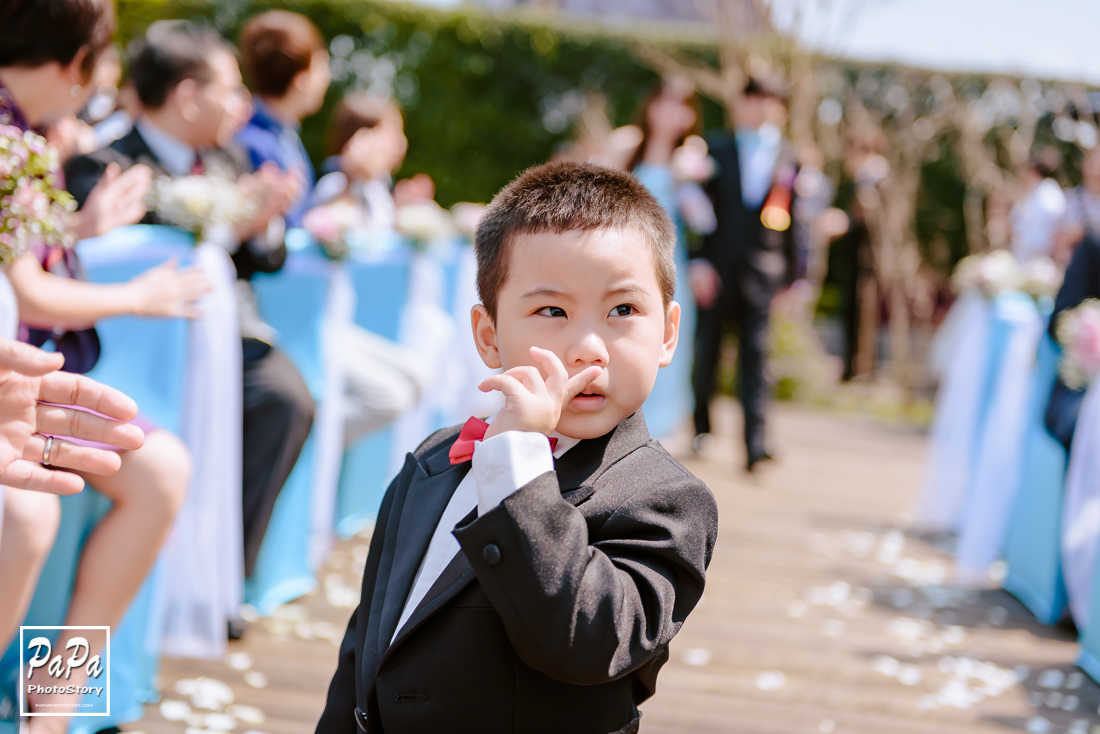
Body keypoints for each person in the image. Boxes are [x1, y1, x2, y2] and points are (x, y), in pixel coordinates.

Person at [315, 161, 718, 734]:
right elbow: (368, 640)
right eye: (552, 311)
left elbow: (586, 640)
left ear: (668, 334)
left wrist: (520, 467)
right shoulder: (433, 460)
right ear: (489, 336)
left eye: (622, 310)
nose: (588, 347)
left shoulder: (667, 501)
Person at [64, 20, 315, 611]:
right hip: (135, 353)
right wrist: (229, 225)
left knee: (287, 399)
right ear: (186, 95)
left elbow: (264, 261)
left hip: (229, 337)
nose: (241, 103)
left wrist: (263, 224)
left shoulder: (228, 157)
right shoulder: (103, 166)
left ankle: (223, 581)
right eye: (230, 88)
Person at [690, 76, 806, 471]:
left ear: (780, 109)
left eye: (768, 100)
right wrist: (698, 262)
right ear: (739, 104)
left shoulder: (789, 155)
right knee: (708, 351)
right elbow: (696, 213)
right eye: (752, 99)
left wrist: (794, 276)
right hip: (717, 270)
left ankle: (755, 444)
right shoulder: (715, 148)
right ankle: (702, 429)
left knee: (756, 358)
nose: (759, 108)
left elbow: (796, 220)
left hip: (764, 272)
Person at [305, 92, 431, 445]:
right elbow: (331, 228)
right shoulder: (335, 183)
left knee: (419, 376)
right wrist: (351, 178)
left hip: (360, 318)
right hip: (327, 319)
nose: (400, 143)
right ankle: (305, 438)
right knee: (387, 396)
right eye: (392, 132)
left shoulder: (377, 189)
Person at [627, 78, 709, 440]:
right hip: (627, 262)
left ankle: (659, 431)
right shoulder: (627, 148)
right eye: (664, 101)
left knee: (668, 344)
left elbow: (704, 222)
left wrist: (688, 183)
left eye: (681, 105)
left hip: (670, 266)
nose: (670, 112)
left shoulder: (691, 158)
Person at [235, 10, 331, 227]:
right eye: (322, 67)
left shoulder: (284, 136)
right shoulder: (253, 141)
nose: (327, 79)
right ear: (302, 78)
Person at [1010, 147, 1066, 264]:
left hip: (1040, 260)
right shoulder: (1034, 192)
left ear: (1033, 170)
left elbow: (1052, 227)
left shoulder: (1048, 192)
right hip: (1023, 258)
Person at [1056, 146, 1100, 263]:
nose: (1096, 170)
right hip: (1075, 265)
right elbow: (1057, 246)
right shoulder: (1069, 198)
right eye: (1093, 163)